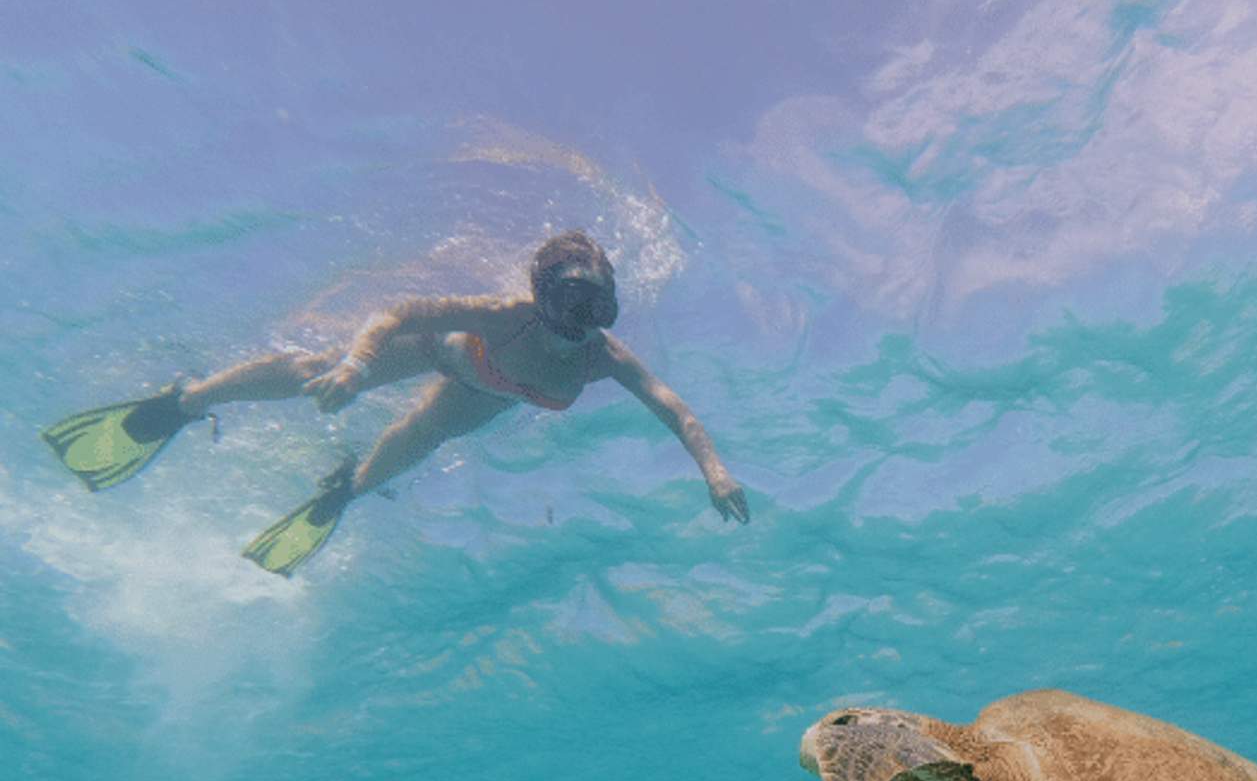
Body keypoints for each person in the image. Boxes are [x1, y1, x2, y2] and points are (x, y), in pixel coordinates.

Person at [42, 231, 751, 575]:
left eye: (599, 306)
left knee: (420, 441)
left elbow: (676, 412)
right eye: (570, 301)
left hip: (481, 400)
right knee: (322, 370)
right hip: (446, 353)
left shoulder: (605, 359)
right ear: (542, 297)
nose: (582, 322)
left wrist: (714, 472)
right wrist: (357, 363)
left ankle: (346, 489)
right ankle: (186, 400)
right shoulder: (506, 315)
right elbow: (401, 309)